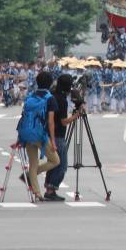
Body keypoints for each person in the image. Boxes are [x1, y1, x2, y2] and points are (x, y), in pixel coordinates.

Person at [17, 71, 60, 201]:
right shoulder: (50, 98)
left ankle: (37, 192)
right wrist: (53, 141)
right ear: (51, 83)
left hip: (27, 133)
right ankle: (29, 176)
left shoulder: (31, 96)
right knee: (55, 160)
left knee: (33, 163)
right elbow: (51, 122)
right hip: (40, 135)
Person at [43, 74, 83, 202]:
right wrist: (76, 115)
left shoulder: (52, 95)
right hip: (58, 135)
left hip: (48, 134)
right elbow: (64, 121)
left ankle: (49, 188)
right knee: (61, 165)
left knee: (54, 162)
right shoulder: (62, 100)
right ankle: (51, 189)